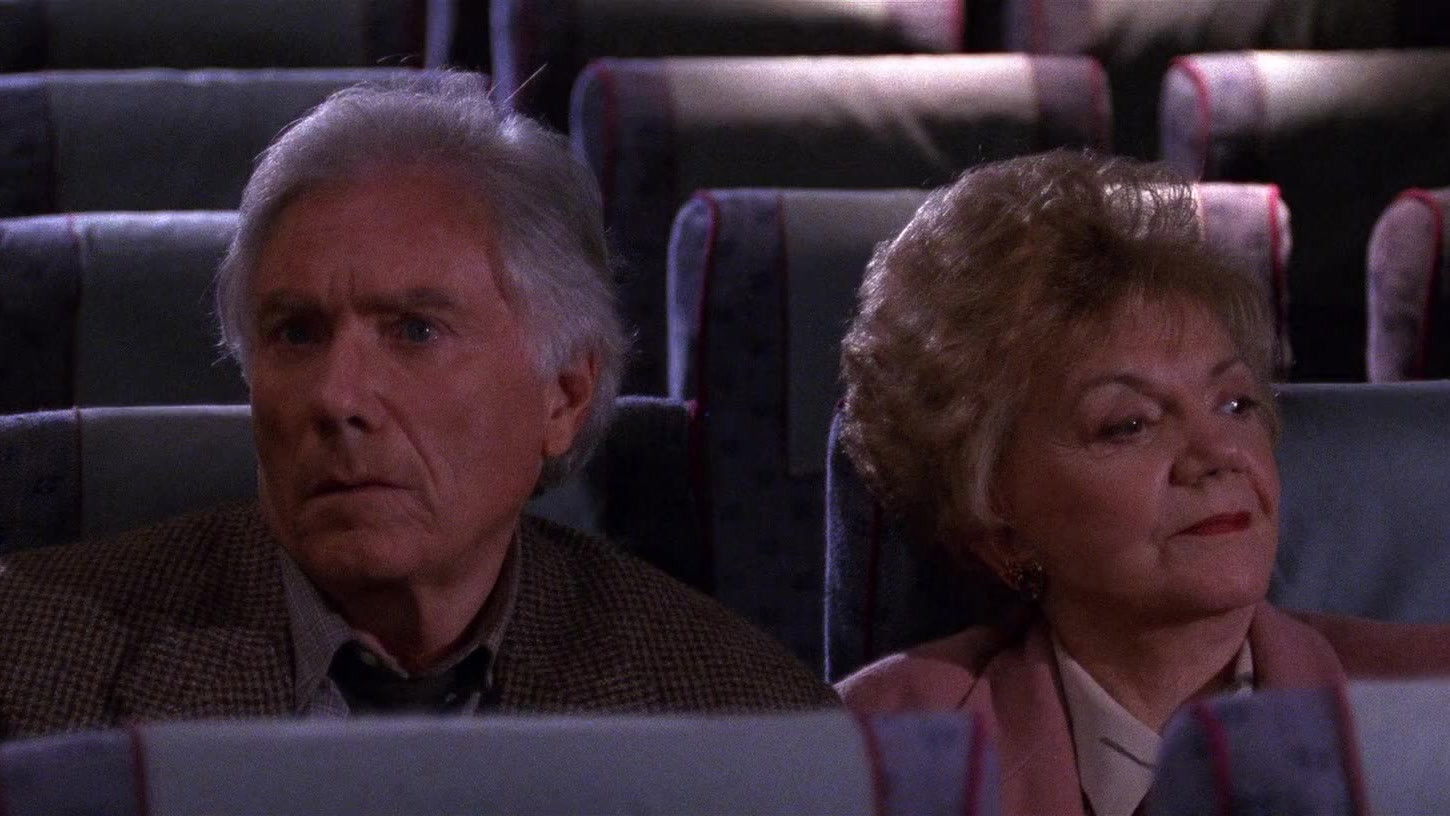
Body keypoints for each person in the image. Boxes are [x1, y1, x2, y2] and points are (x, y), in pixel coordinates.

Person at [0, 74, 833, 740]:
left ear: (563, 396)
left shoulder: (738, 719)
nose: (337, 398)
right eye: (296, 334)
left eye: (416, 331)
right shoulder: (29, 676)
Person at [834, 150, 1450, 816]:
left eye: (1235, 403)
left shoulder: (1433, 701)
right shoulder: (878, 750)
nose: (1217, 454)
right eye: (1129, 424)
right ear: (999, 522)